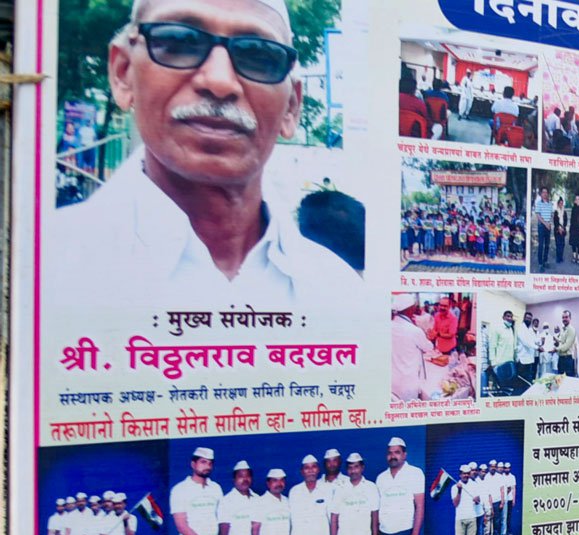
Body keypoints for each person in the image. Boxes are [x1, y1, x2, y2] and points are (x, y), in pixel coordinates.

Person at [53, 0, 360, 313]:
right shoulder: (44, 271)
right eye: (179, 42)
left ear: (292, 107)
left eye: (257, 54)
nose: (219, 82)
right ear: (123, 74)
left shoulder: (338, 294)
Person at [374, 436, 425, 535]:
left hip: (404, 534)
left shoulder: (415, 473)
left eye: (397, 452)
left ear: (404, 455)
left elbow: (420, 506)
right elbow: (378, 509)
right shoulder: (381, 478)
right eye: (390, 453)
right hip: (384, 534)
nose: (393, 456)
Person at [330, 452, 379, 535]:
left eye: (356, 467)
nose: (353, 471)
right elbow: (334, 517)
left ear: (362, 468)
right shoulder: (340, 488)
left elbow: (375, 517)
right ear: (347, 470)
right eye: (350, 468)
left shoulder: (371, 487)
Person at [288, 454, 332, 535]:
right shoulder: (294, 492)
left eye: (313, 467)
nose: (311, 470)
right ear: (302, 471)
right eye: (307, 468)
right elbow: (291, 523)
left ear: (318, 470)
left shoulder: (328, 490)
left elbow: (332, 520)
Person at [392, 293, 433, 402]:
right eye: (414, 307)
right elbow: (428, 347)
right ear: (409, 310)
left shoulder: (390, 326)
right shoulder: (414, 330)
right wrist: (431, 337)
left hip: (393, 380)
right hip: (407, 384)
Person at [451, 463, 481, 535]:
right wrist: (459, 491)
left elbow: (478, 500)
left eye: (468, 473)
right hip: (460, 519)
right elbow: (455, 503)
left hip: (472, 517)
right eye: (464, 473)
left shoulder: (474, 485)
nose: (466, 475)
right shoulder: (455, 487)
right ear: (460, 474)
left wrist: (477, 499)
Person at [488, 308, 517, 395]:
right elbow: (492, 346)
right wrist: (493, 363)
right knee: (500, 387)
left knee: (508, 386)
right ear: (503, 317)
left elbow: (511, 346)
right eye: (508, 316)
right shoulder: (497, 328)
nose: (510, 318)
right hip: (500, 363)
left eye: (511, 316)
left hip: (509, 362)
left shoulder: (510, 329)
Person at [557, 309, 577, 377]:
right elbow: (561, 342)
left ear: (570, 318)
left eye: (566, 317)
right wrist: (557, 341)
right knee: (560, 380)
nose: (564, 319)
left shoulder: (571, 329)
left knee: (568, 382)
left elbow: (566, 346)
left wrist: (556, 349)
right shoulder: (563, 329)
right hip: (561, 359)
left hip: (567, 359)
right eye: (563, 317)